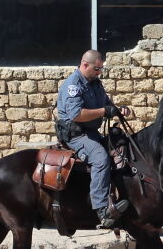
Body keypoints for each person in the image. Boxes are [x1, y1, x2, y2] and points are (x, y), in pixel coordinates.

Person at [54, 50, 130, 229]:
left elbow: (107, 105)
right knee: (100, 159)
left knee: (122, 145)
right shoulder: (73, 85)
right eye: (97, 68)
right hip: (75, 136)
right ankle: (102, 210)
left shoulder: (95, 83)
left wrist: (119, 109)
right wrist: (104, 111)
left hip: (92, 133)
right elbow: (76, 114)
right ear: (85, 65)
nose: (99, 72)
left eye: (101, 69)